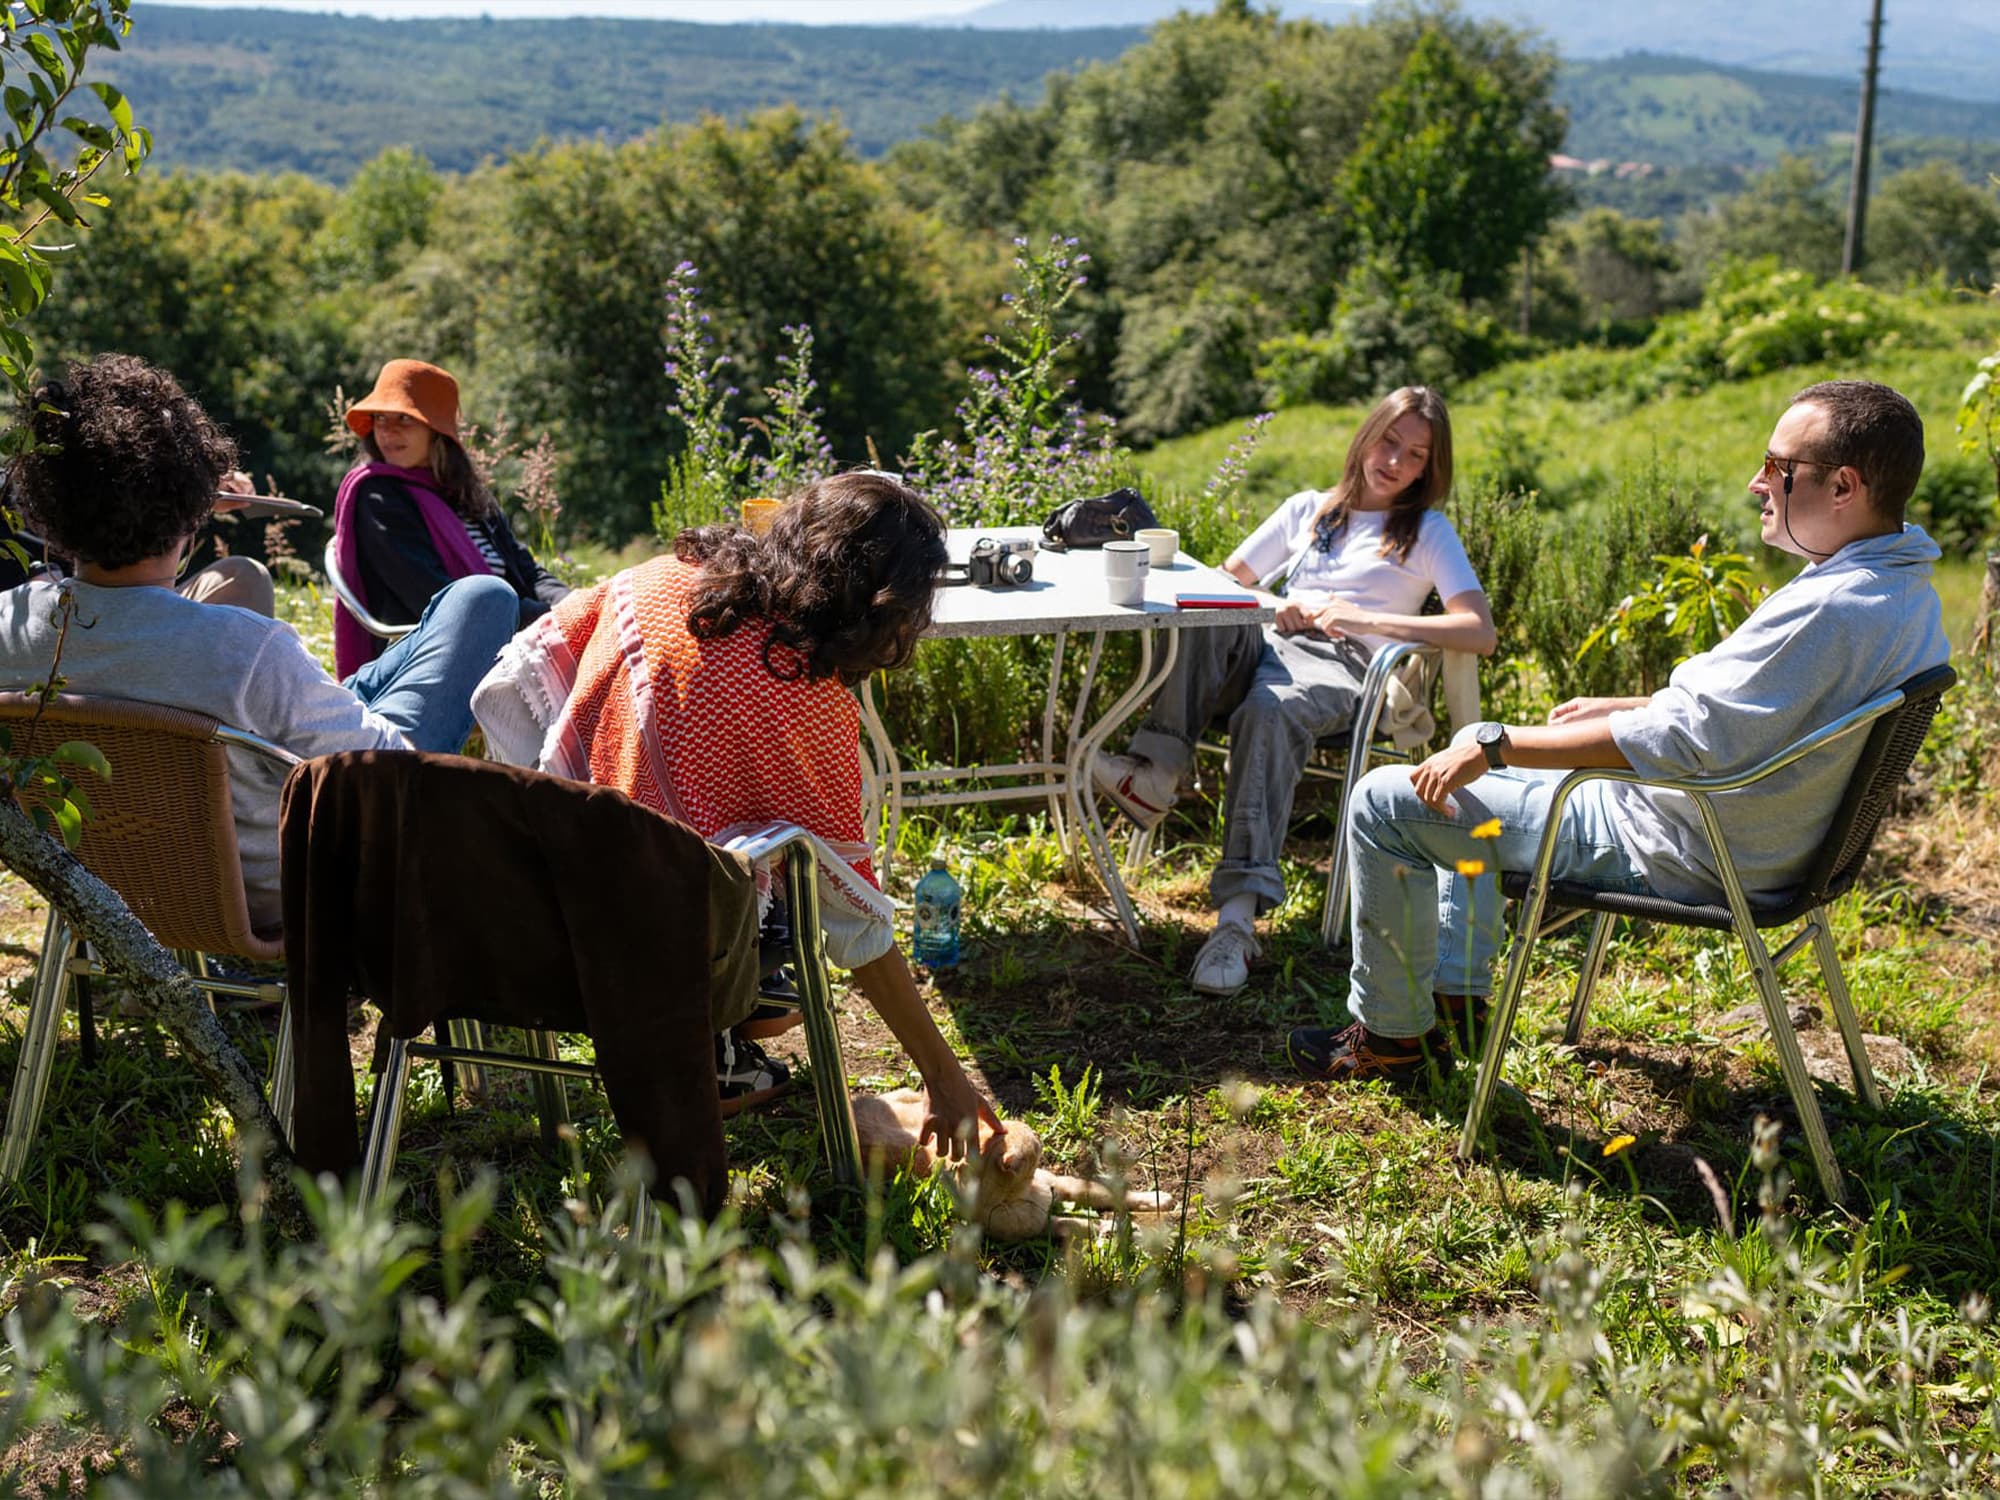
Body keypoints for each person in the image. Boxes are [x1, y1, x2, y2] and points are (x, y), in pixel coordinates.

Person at [1290, 379, 1952, 1084]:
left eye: (1778, 466)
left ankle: (1391, 1040)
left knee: (1384, 801)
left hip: (1682, 841)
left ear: (1844, 486)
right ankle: (1456, 998)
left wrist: (1498, 747)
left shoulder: (1835, 608)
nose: (1757, 483)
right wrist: (1616, 710)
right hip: (1741, 831)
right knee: (1480, 735)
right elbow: (1751, 713)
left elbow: (1684, 742)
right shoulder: (1900, 587)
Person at [473, 471, 1004, 1152]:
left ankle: (733, 1028)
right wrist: (943, 1074)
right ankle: (722, 1041)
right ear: (877, 604)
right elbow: (854, 924)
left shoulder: (655, 579)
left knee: (717, 859)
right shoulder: (801, 698)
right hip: (659, 947)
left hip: (548, 887)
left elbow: (519, 686)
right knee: (774, 902)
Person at [0, 353, 520, 930]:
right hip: (289, 887)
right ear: (191, 512)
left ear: (48, 506)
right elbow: (393, 774)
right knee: (484, 600)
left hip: (108, 888)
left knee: (459, 610)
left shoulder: (10, 624)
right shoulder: (242, 647)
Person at [1091, 386, 1496, 997]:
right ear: (1367, 435)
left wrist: (1365, 619)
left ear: (1428, 470)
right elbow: (1225, 582)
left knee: (1268, 709)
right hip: (1268, 644)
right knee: (1210, 609)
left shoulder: (1427, 532)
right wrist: (1279, 605)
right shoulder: (1307, 509)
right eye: (1390, 441)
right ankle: (1157, 772)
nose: (1395, 461)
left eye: (1415, 455)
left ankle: (1235, 926)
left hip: (1346, 665)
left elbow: (1478, 630)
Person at [333, 358, 569, 679]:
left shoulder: (464, 495)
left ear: (436, 432)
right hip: (437, 655)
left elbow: (524, 568)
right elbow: (436, 597)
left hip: (512, 634)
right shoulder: (379, 497)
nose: (388, 431)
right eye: (380, 419)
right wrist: (547, 620)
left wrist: (571, 602)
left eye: (404, 418)